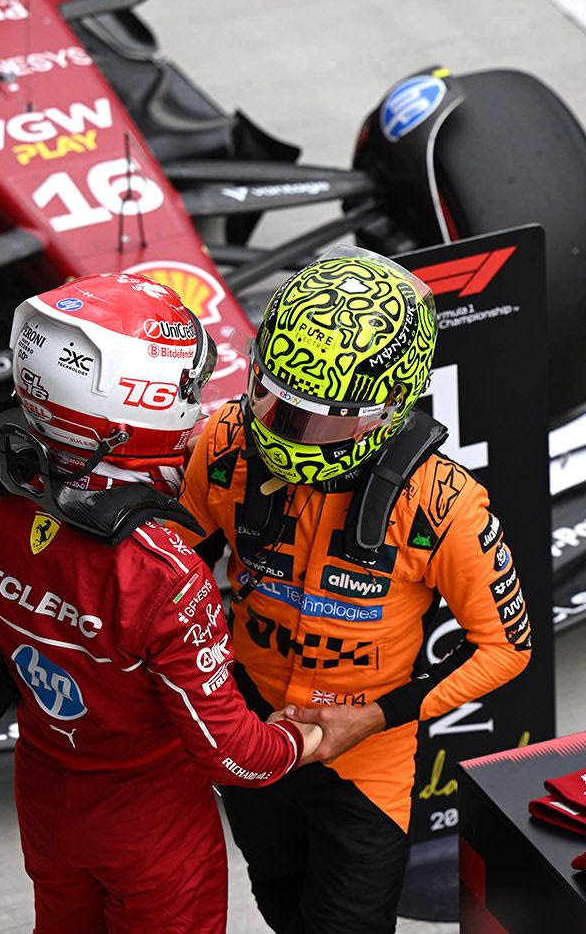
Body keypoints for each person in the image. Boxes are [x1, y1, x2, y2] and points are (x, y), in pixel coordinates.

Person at [169, 247, 534, 932]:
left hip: (367, 761)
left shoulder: (444, 503)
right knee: (279, 904)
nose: (282, 429)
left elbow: (506, 647)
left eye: (318, 416)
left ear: (387, 410)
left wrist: (375, 716)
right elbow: (163, 570)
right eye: (273, 397)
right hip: (249, 730)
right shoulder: (223, 443)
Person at [0, 272, 323, 934]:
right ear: (138, 405)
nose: (196, 403)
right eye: (186, 388)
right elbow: (233, 754)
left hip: (44, 792)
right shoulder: (164, 573)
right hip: (151, 823)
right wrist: (306, 737)